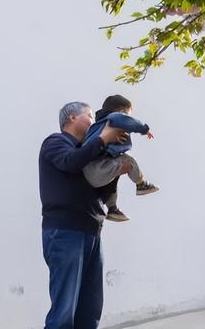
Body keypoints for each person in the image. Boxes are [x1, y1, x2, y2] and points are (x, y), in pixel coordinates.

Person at [39, 101, 128, 329]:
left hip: (92, 233)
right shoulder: (55, 142)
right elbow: (70, 163)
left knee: (90, 309)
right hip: (65, 232)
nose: (94, 121)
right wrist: (102, 139)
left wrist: (116, 168)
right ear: (71, 118)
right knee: (64, 311)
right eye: (89, 115)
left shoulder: (89, 152)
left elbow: (99, 188)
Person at [82, 94, 159, 222]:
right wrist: (144, 129)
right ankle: (141, 184)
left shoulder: (96, 127)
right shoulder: (114, 117)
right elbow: (128, 122)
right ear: (120, 111)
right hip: (98, 167)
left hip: (90, 171)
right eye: (127, 114)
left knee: (113, 178)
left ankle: (112, 209)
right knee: (128, 160)